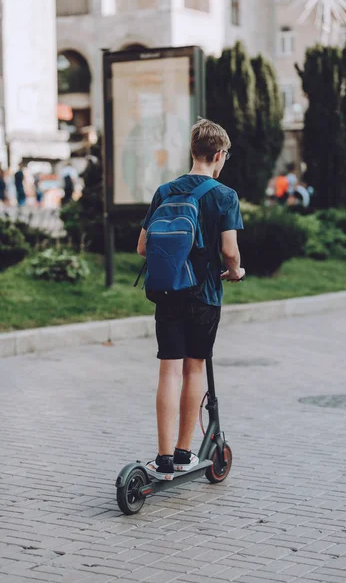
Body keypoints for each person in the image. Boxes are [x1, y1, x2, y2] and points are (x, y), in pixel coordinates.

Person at [136, 118, 245, 481]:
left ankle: (163, 457)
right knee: (193, 367)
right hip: (204, 294)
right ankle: (185, 452)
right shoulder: (224, 195)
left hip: (167, 293)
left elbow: (142, 247)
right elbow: (229, 250)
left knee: (168, 368)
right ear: (218, 154)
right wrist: (235, 270)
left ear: (193, 152)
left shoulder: (165, 191)